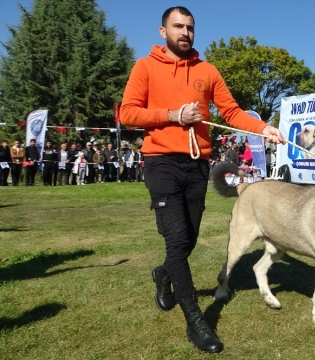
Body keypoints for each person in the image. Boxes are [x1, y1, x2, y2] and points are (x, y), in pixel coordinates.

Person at [119, 6, 285, 353]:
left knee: (189, 239)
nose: (185, 32)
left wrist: (264, 128)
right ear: (163, 31)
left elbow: (232, 112)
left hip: (197, 164)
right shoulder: (145, 66)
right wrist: (171, 115)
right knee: (177, 239)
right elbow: (128, 113)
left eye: (190, 27)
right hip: (160, 161)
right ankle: (196, 318)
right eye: (178, 26)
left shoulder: (207, 71)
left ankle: (163, 275)